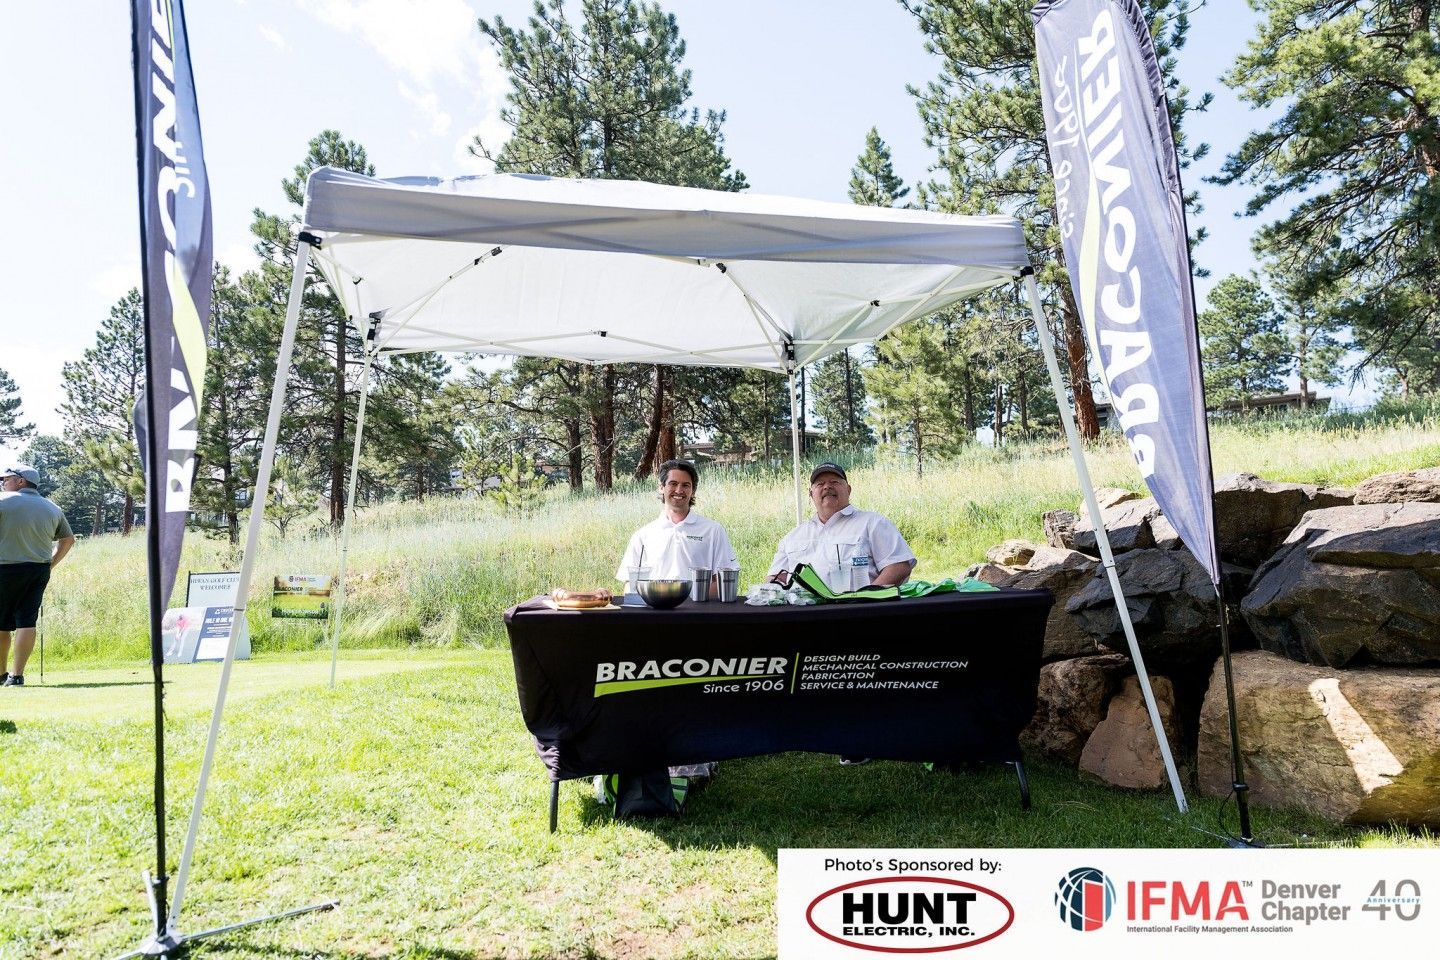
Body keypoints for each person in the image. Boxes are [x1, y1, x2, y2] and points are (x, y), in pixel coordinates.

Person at [768, 462, 916, 594]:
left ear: (848, 489)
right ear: (811, 494)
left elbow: (898, 566)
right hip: (802, 618)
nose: (827, 486)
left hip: (856, 616)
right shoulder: (793, 536)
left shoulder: (873, 523)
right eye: (820, 484)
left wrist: (864, 600)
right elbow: (776, 578)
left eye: (835, 482)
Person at [0, 465, 75, 686]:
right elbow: (68, 540)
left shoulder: (3, 502)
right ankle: (17, 676)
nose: (3, 482)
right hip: (38, 569)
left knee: (1, 624)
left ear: (20, 481)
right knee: (26, 620)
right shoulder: (52, 507)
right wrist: (50, 564)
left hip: (5, 569)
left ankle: (1, 674)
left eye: (6, 478)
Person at [615, 458, 738, 588]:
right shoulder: (643, 536)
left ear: (693, 491)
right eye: (673, 484)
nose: (679, 490)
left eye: (685, 485)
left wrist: (689, 599)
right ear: (661, 487)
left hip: (700, 607)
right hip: (655, 607)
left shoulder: (713, 531)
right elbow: (630, 585)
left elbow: (724, 583)